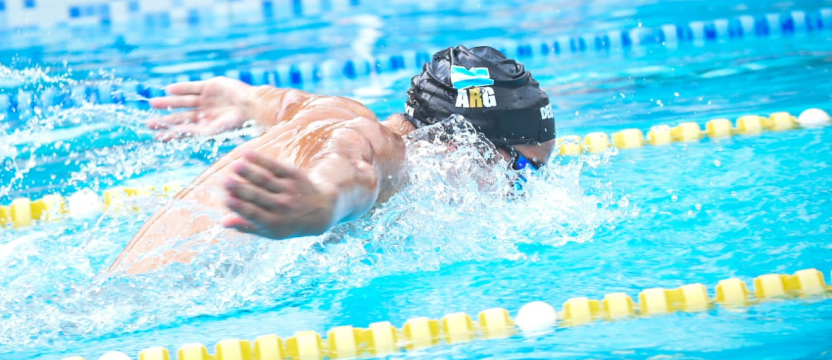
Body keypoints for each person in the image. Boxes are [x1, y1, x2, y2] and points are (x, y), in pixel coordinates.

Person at [110, 45, 556, 274]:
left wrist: (245, 101)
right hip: (144, 306)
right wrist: (324, 201)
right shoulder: (386, 148)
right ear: (456, 143)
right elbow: (354, 166)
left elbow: (285, 101)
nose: (520, 194)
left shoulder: (335, 109)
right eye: (520, 171)